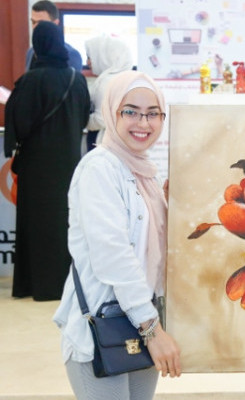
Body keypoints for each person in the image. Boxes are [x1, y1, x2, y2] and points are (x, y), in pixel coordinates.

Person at [53, 70, 181, 399]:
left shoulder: (145, 173)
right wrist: (152, 330)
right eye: (131, 112)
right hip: (105, 327)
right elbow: (114, 256)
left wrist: (175, 207)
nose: (143, 123)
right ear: (112, 113)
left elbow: (157, 253)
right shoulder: (99, 168)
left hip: (141, 321)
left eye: (153, 113)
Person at [4, 21, 90, 301]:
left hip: (37, 166)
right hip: (68, 164)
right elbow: (84, 118)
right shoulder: (76, 79)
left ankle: (33, 284)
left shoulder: (30, 81)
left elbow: (19, 123)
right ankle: (65, 285)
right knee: (66, 221)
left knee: (35, 223)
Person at [84, 35, 134, 150]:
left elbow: (101, 120)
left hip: (102, 142)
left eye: (90, 57)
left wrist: (79, 122)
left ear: (105, 56)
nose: (88, 62)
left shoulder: (107, 82)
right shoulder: (128, 79)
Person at [26, 1, 83, 72]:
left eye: (41, 23)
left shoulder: (71, 55)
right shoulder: (31, 52)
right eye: (33, 22)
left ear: (55, 23)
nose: (35, 27)